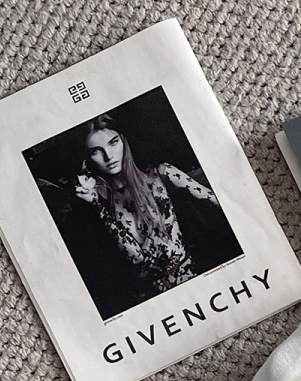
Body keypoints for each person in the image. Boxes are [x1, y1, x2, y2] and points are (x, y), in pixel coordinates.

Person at [74, 114, 221, 304]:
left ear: (124, 141)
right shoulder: (101, 203)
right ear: (87, 159)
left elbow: (216, 199)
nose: (109, 156)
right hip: (151, 300)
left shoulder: (160, 175)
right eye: (96, 151)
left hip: (192, 282)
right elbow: (136, 257)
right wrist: (98, 206)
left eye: (113, 143)